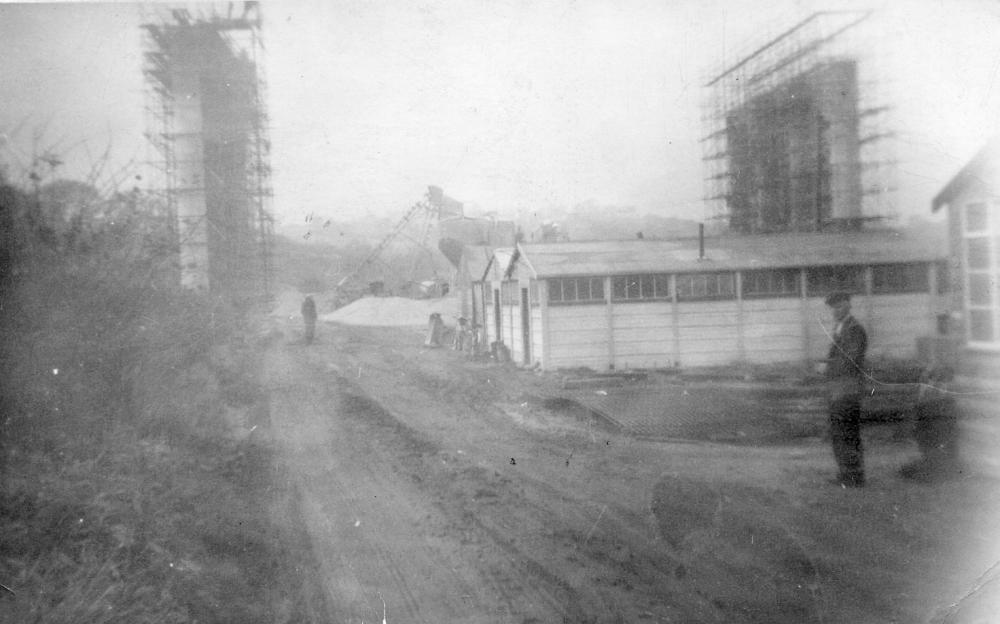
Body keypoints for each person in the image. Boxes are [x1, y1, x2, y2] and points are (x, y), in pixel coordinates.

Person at [823, 291, 868, 488]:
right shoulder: (841, 328)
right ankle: (846, 473)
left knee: (847, 432)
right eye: (833, 307)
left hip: (848, 390)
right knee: (839, 432)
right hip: (838, 390)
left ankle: (854, 476)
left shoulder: (855, 330)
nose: (836, 311)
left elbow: (850, 360)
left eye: (840, 306)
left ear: (849, 306)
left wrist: (827, 367)